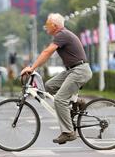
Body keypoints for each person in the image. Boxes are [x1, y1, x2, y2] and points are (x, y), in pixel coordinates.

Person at [21, 13, 92, 145]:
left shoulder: (62, 35)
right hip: (72, 70)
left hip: (79, 71)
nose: (45, 27)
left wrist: (32, 68)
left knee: (59, 99)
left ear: (54, 25)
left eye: (47, 25)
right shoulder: (61, 35)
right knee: (48, 86)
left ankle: (68, 132)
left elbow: (47, 52)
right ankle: (76, 102)